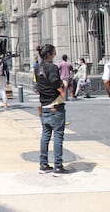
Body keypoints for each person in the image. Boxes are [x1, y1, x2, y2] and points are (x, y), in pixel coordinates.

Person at [34, 44, 68, 177]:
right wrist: (63, 87)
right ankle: (58, 166)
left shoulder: (37, 67)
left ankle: (43, 164)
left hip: (44, 105)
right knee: (58, 135)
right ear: (49, 54)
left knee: (45, 134)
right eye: (54, 52)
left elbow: (39, 85)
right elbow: (56, 82)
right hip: (55, 105)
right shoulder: (52, 67)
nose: (55, 54)